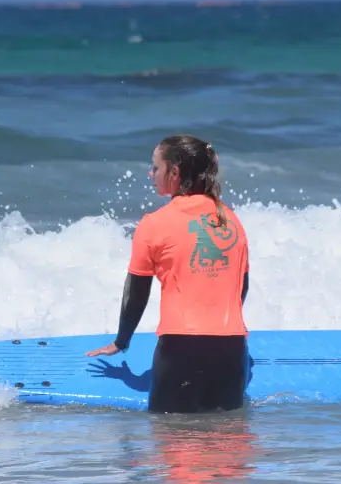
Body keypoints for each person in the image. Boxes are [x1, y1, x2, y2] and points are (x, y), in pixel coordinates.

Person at [86, 134, 251, 414]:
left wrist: (121, 342)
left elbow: (136, 294)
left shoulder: (154, 224)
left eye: (155, 168)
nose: (151, 174)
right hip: (233, 350)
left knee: (173, 443)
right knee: (228, 449)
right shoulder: (231, 219)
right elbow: (240, 288)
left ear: (174, 173)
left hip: (180, 350)